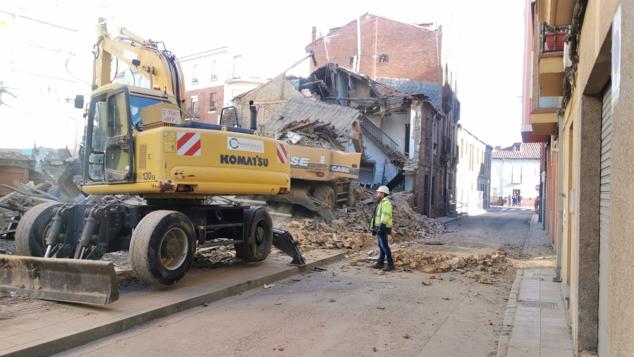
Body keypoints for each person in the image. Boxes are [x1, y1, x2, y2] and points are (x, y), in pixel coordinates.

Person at [369, 186, 394, 272]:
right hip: (379, 227)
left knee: (384, 246)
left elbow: (385, 215)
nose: (377, 194)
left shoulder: (386, 203)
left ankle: (390, 264)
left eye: (378, 193)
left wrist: (382, 226)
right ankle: (380, 262)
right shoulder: (381, 202)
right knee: (381, 245)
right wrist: (373, 228)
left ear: (382, 194)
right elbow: (376, 217)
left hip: (383, 227)